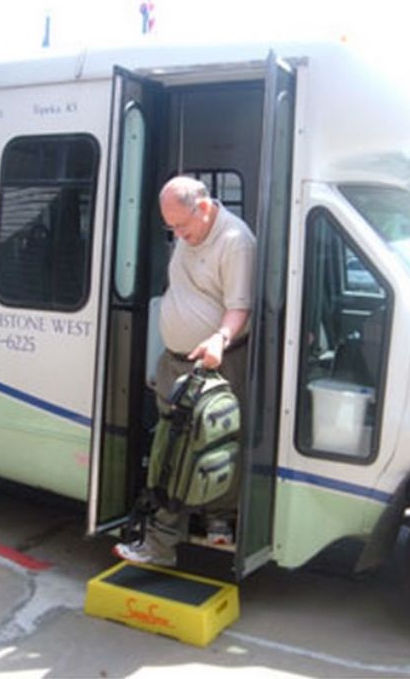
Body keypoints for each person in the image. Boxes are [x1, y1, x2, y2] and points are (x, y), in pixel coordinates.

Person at [113, 175, 256, 566]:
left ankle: (207, 525)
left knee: (206, 446)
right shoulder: (188, 230)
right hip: (175, 361)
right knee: (170, 448)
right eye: (171, 227)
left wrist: (218, 340)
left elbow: (239, 307)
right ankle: (167, 539)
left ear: (205, 208)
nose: (177, 234)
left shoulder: (235, 241)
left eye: (182, 226)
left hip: (216, 361)